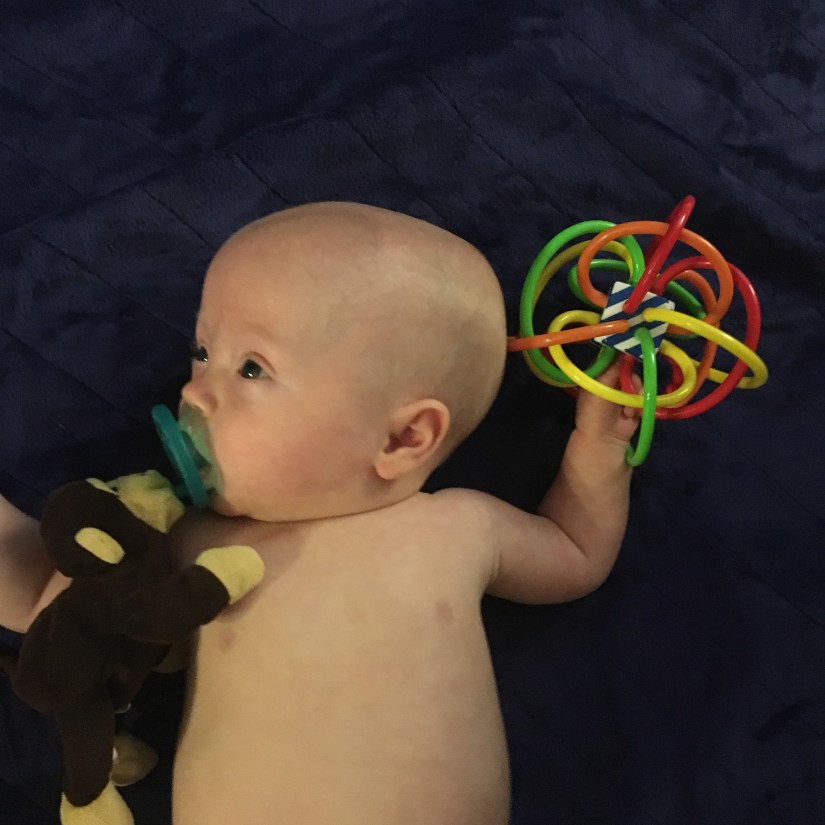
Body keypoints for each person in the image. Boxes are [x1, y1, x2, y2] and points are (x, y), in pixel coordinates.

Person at [0, 201, 639, 824]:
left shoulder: (460, 527)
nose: (195, 391)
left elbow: (574, 551)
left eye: (252, 369)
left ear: (403, 438)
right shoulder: (192, 546)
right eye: (202, 352)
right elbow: (46, 596)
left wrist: (600, 449)